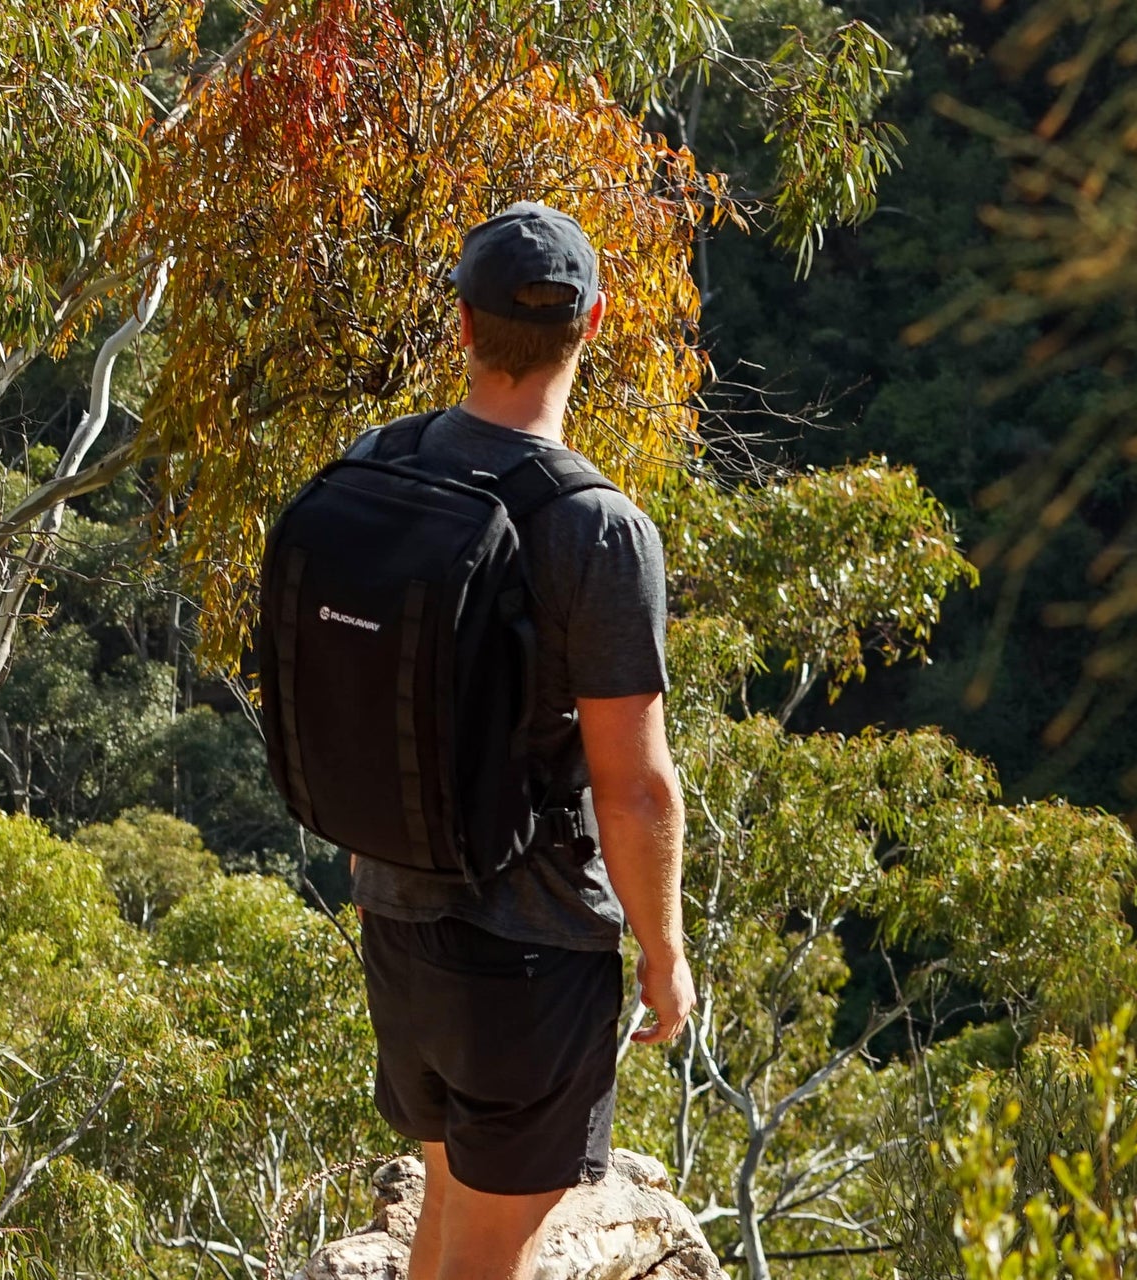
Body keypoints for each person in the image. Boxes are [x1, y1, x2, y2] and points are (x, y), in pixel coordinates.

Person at [347, 202, 692, 1280]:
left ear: (463, 322)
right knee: (495, 1245)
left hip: (399, 915)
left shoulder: (382, 462)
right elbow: (635, 788)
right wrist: (665, 952)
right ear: (594, 320)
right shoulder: (598, 529)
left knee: (452, 1199)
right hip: (531, 949)